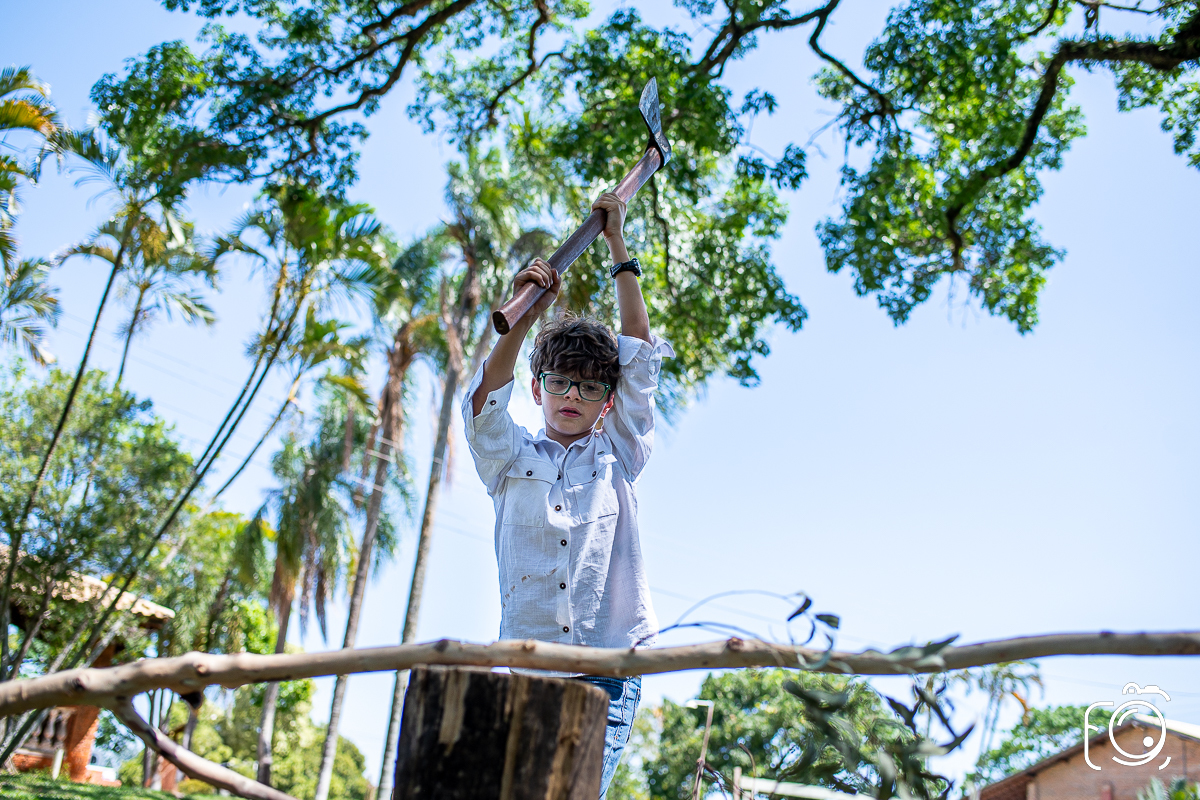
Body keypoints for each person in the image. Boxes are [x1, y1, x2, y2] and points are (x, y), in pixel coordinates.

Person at [462, 191, 672, 798]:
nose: (572, 396)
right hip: (530, 666)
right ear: (538, 388)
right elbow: (484, 401)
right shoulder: (509, 460)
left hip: (608, 670)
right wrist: (526, 317)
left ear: (607, 400)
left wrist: (617, 243)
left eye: (589, 387)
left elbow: (639, 353)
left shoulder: (618, 453)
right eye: (559, 383)